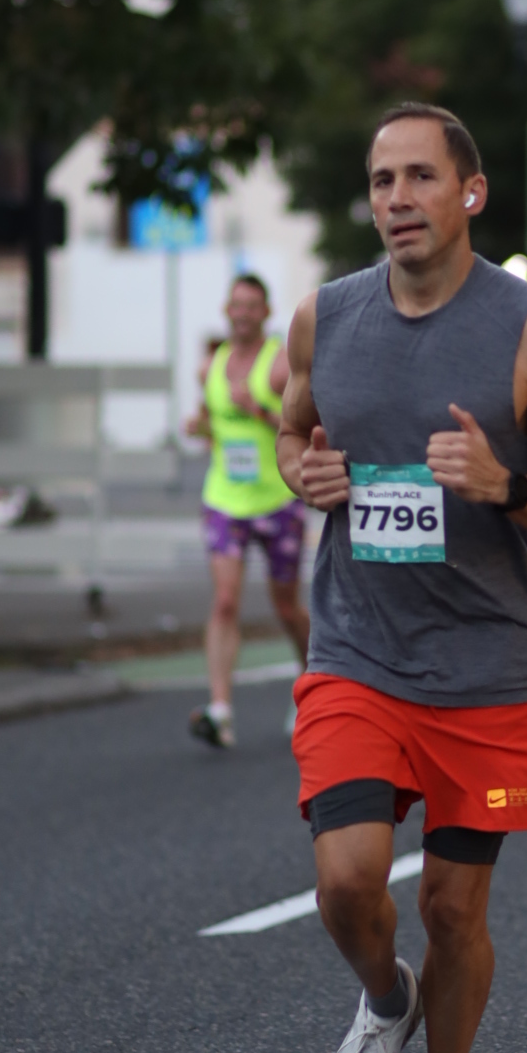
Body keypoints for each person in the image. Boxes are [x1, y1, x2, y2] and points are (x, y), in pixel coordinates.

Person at [275, 102, 527, 1053]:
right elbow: (289, 428)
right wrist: (301, 473)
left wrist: (505, 487)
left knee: (455, 911)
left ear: (471, 193)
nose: (398, 199)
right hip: (358, 649)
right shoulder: (324, 318)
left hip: (484, 668)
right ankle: (385, 1001)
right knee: (347, 881)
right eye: (382, 180)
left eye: (421, 177)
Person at [187, 274, 309, 750]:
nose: (243, 313)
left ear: (266, 312)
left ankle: (311, 684)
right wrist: (199, 427)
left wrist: (260, 409)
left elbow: (302, 424)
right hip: (224, 499)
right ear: (226, 310)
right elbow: (210, 423)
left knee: (286, 606)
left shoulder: (278, 365)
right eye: (236, 305)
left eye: (252, 306)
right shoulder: (209, 367)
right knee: (224, 601)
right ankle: (219, 710)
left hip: (277, 500)